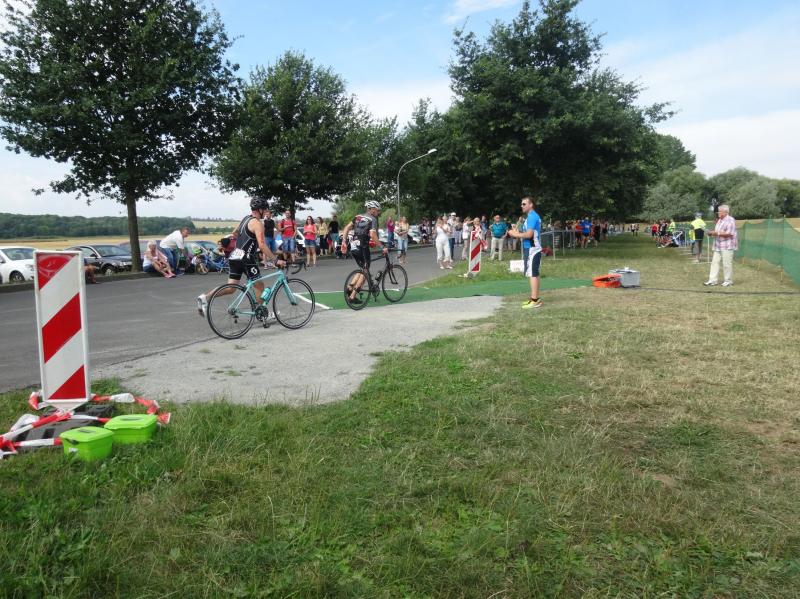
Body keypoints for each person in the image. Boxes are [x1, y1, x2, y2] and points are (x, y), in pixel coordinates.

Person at [196, 198, 282, 318]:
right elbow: (262, 245)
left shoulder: (245, 219)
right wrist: (275, 260)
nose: (266, 211)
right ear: (260, 210)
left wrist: (245, 242)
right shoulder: (257, 224)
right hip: (246, 258)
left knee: (231, 288)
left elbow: (235, 233)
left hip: (235, 256)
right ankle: (262, 314)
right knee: (259, 286)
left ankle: (205, 297)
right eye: (265, 209)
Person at [340, 200, 387, 305]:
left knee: (362, 269)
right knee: (365, 272)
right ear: (372, 209)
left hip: (353, 246)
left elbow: (346, 228)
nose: (378, 212)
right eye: (377, 210)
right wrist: (382, 247)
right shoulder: (373, 219)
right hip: (363, 247)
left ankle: (349, 288)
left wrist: (343, 242)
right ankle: (352, 296)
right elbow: (373, 235)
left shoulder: (358, 217)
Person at [507, 196, 542, 309]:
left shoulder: (532, 217)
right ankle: (535, 298)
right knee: (534, 273)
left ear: (531, 205)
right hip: (531, 248)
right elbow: (528, 232)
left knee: (532, 274)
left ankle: (535, 300)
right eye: (521, 204)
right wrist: (518, 231)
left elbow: (529, 235)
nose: (521, 206)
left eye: (524, 204)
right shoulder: (531, 217)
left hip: (532, 249)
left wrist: (515, 234)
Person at [704, 204, 737, 287]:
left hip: (727, 245)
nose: (718, 213)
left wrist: (716, 233)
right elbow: (717, 232)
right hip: (718, 245)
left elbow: (729, 233)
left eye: (720, 211)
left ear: (725, 212)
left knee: (726, 264)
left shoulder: (730, 220)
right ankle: (712, 280)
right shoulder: (719, 220)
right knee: (714, 262)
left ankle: (728, 281)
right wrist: (711, 233)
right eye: (718, 211)